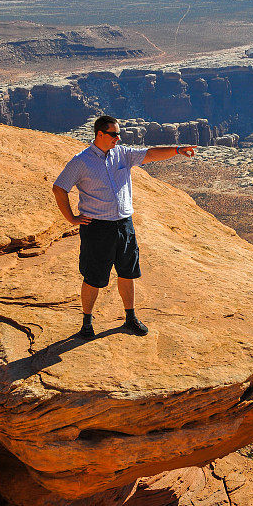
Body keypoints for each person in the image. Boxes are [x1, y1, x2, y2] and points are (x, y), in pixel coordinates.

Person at [52, 114, 196, 338]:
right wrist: (71, 218)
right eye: (114, 134)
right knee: (94, 277)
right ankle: (87, 323)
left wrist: (177, 150)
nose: (118, 138)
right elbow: (59, 188)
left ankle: (130, 318)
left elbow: (149, 154)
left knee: (128, 273)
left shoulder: (122, 154)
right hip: (97, 228)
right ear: (100, 134)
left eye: (118, 134)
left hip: (124, 225)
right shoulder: (81, 161)